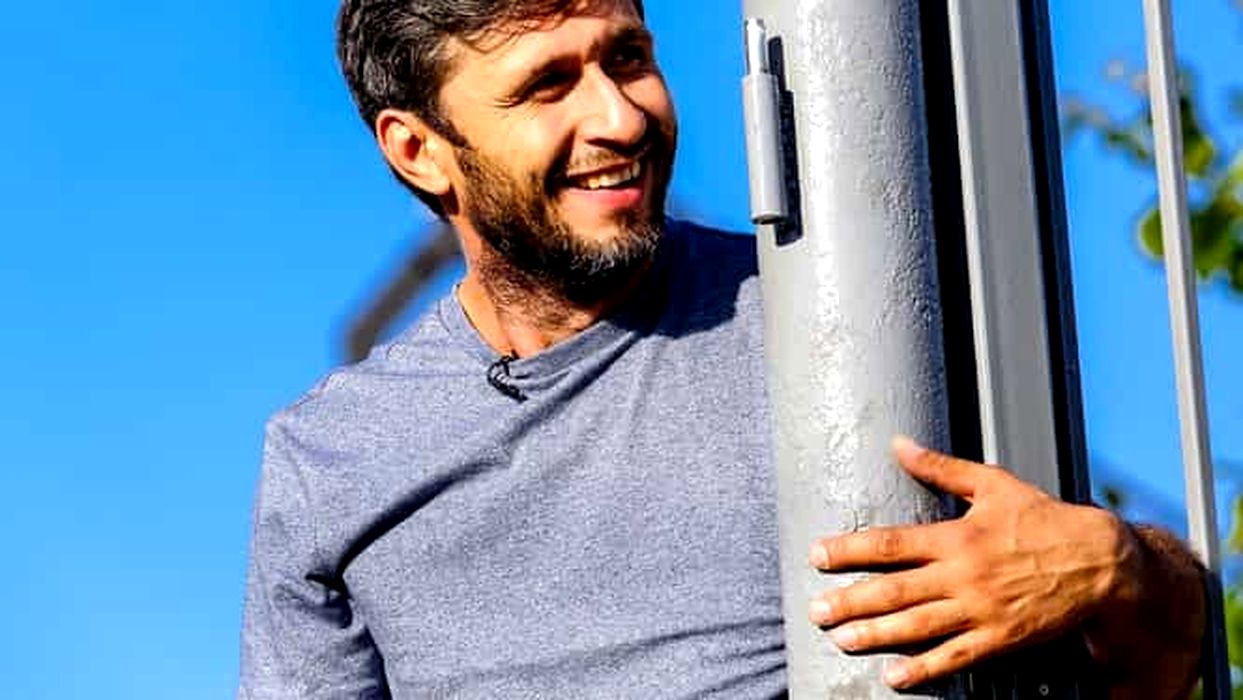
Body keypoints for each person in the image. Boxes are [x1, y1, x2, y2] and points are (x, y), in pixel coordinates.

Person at [238, 0, 1206, 697]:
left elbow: (1164, 652)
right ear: (418, 150)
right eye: (548, 85)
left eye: (627, 58)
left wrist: (1118, 564)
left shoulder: (847, 330)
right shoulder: (329, 459)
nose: (619, 118)